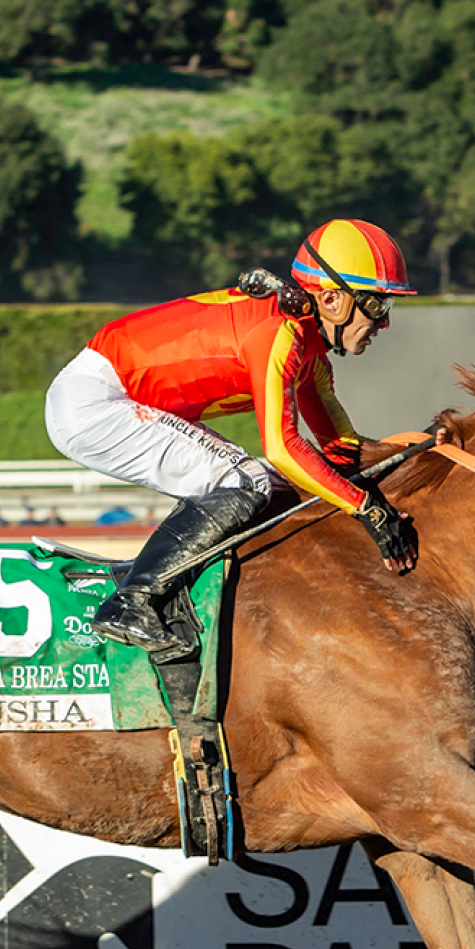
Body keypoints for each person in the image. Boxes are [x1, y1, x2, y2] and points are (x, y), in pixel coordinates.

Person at [44, 218, 421, 657]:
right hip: (95, 400)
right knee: (249, 481)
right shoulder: (278, 335)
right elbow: (281, 449)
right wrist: (367, 509)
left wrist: (405, 470)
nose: (385, 323)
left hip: (110, 394)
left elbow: (342, 453)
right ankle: (134, 601)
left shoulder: (311, 357)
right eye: (377, 305)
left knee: (277, 490)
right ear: (333, 300)